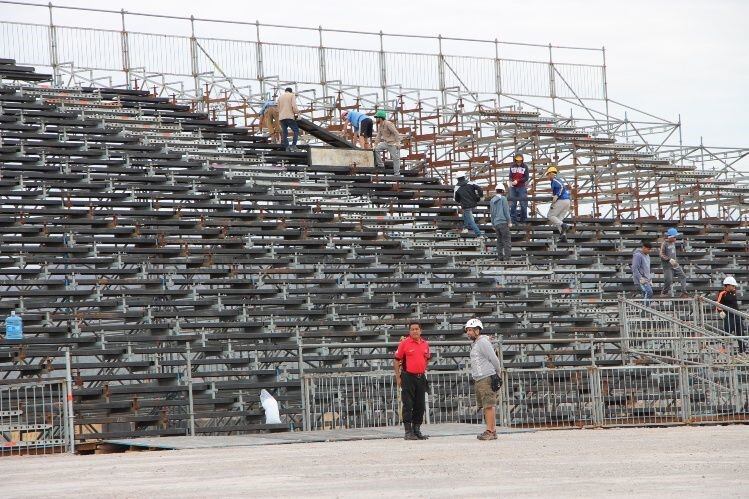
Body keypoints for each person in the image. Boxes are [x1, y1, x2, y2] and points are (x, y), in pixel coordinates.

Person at [465, 318, 502, 441]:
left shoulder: (482, 342)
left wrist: (498, 372)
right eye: (467, 330)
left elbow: (493, 358)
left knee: (488, 405)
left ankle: (490, 431)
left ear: (477, 330)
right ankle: (492, 430)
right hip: (480, 378)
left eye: (470, 330)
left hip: (486, 377)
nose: (468, 333)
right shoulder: (477, 342)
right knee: (487, 405)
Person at [394, 321, 431, 440]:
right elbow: (396, 360)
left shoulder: (425, 344)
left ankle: (417, 429)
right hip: (408, 377)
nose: (415, 331)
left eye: (417, 329)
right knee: (408, 404)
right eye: (412, 329)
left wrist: (423, 368)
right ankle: (408, 431)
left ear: (421, 330)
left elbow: (427, 358)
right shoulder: (404, 343)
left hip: (421, 377)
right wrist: (398, 377)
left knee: (420, 404)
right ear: (409, 331)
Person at [716, 276, 745, 353]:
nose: (734, 287)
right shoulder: (722, 293)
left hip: (737, 315)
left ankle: (743, 351)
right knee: (726, 331)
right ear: (728, 285)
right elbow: (717, 304)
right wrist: (720, 312)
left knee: (741, 333)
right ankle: (722, 347)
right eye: (733, 285)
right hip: (728, 316)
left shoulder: (734, 292)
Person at [544, 166, 571, 242]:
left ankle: (564, 225)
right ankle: (563, 237)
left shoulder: (555, 180)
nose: (547, 176)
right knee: (558, 220)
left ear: (551, 174)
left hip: (562, 200)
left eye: (548, 174)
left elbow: (561, 187)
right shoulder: (556, 180)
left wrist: (557, 195)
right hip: (566, 201)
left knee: (550, 215)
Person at [659, 228, 688, 297]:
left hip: (675, 264)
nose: (675, 238)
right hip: (667, 265)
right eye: (674, 236)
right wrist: (668, 259)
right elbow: (661, 254)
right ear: (670, 237)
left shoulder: (673, 243)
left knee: (683, 276)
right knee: (669, 280)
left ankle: (684, 291)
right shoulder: (664, 243)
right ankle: (664, 292)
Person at [373, 110, 401, 174]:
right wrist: (375, 144)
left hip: (392, 143)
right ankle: (380, 165)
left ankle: (397, 173)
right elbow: (378, 136)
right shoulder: (380, 126)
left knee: (395, 158)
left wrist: (398, 142)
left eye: (377, 117)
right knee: (376, 149)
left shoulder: (388, 124)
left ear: (380, 118)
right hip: (386, 143)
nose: (376, 119)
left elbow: (396, 132)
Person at [489, 186, 512, 260]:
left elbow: (492, 213)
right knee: (506, 240)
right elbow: (506, 211)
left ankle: (500, 256)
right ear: (503, 191)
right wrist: (509, 221)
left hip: (496, 223)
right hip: (503, 222)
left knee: (499, 241)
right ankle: (507, 257)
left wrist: (493, 223)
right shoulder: (503, 199)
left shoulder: (492, 200)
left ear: (496, 191)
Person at [508, 153, 530, 224]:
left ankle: (523, 219)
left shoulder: (525, 167)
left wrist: (518, 181)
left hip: (521, 187)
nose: (519, 162)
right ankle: (513, 219)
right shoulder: (512, 166)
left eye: (520, 161)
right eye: (517, 161)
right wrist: (511, 181)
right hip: (513, 187)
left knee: (523, 203)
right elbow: (510, 176)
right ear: (515, 160)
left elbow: (526, 177)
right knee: (513, 204)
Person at [277, 87, 300, 152]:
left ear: (285, 91)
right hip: (289, 116)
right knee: (296, 130)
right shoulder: (292, 95)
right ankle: (293, 145)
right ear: (291, 91)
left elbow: (278, 108)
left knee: (284, 133)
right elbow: (294, 106)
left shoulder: (280, 97)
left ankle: (287, 147)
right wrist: (297, 112)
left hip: (281, 118)